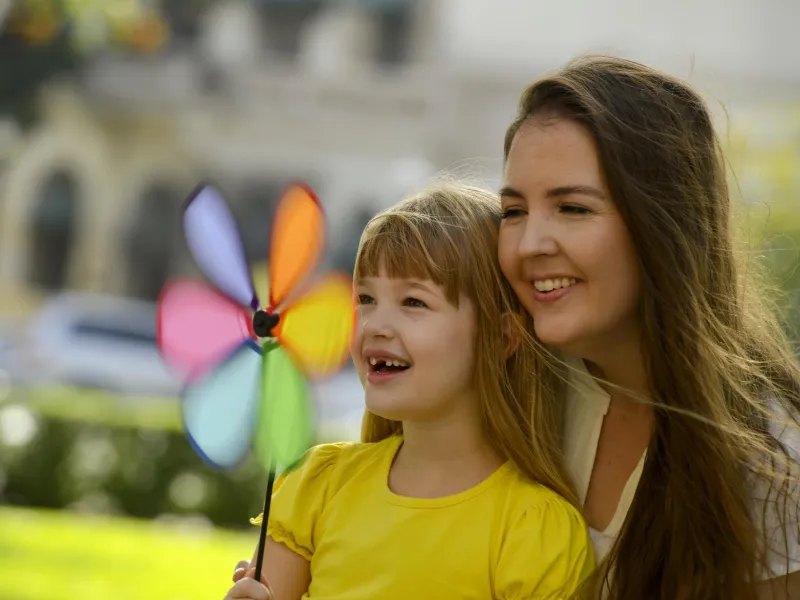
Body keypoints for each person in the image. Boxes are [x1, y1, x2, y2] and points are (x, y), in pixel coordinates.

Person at [497, 55, 800, 599]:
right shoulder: (512, 392)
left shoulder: (772, 459)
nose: (529, 244)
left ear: (663, 223)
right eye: (514, 211)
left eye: (572, 208)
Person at [224, 182, 595, 600]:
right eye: (365, 298)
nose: (374, 324)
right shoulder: (319, 486)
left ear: (502, 337)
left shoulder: (533, 529)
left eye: (413, 302)